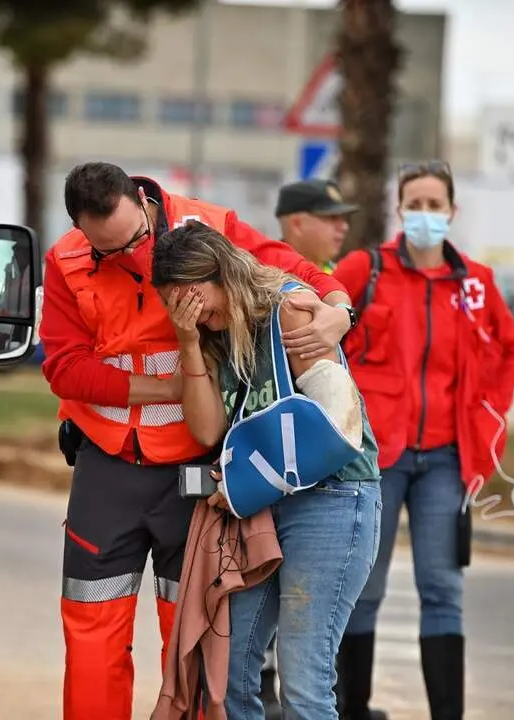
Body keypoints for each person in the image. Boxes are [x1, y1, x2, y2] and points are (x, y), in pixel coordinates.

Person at [39, 161, 361, 720]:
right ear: (81, 232)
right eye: (108, 251)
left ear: (143, 203)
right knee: (91, 628)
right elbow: (64, 368)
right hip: (108, 464)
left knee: (193, 631)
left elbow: (292, 269)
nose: (130, 258)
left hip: (195, 467)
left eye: (135, 240)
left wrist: (338, 308)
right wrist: (172, 388)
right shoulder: (66, 260)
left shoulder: (208, 227)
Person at [150, 221, 381, 719]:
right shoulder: (210, 337)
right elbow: (208, 431)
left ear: (220, 272)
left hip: (333, 500)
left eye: (194, 298)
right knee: (229, 666)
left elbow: (339, 429)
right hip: (264, 510)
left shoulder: (291, 312)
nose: (192, 313)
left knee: (303, 681)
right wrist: (188, 343)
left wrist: (246, 484)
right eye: (175, 305)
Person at [333, 160, 514, 720]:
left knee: (443, 589)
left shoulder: (475, 284)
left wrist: (489, 411)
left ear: (452, 211)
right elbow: (320, 328)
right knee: (363, 587)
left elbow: (510, 349)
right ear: (399, 209)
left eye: (434, 205)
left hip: (446, 458)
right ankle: (353, 711)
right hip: (374, 458)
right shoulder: (365, 270)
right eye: (414, 204)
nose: (424, 214)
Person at [259, 177, 359, 718]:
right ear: (296, 222)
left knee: (307, 649)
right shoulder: (280, 286)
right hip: (283, 467)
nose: (342, 226)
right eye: (330, 216)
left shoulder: (334, 287)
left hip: (330, 465)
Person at [276, 179, 358, 273]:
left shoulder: (340, 275)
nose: (344, 227)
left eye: (343, 218)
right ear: (297, 224)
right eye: (332, 217)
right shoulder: (267, 275)